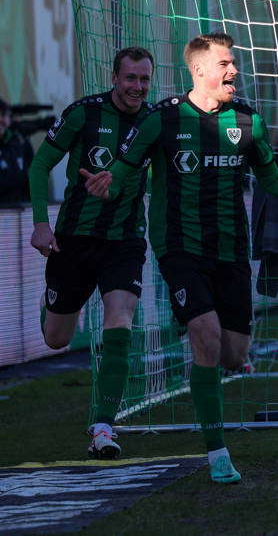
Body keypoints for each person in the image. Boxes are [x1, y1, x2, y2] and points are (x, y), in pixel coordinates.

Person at [82, 33, 278, 482]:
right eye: (226, 64)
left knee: (233, 354)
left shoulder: (247, 120)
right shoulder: (163, 119)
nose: (234, 71)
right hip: (180, 250)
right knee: (206, 339)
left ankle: (195, 323)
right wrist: (107, 179)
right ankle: (217, 453)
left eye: (234, 63)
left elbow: (270, 177)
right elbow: (125, 166)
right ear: (200, 71)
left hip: (231, 251)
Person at [27, 47, 155, 459]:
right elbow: (40, 164)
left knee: (120, 318)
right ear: (115, 76)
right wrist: (41, 223)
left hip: (125, 240)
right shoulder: (83, 113)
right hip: (74, 239)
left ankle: (103, 425)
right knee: (56, 338)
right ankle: (52, 302)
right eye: (130, 78)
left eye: (144, 80)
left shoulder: (154, 122)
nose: (137, 87)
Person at [0, 98, 35, 204]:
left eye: (4, 115)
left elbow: (33, 175)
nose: (2, 120)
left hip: (23, 208)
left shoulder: (21, 142)